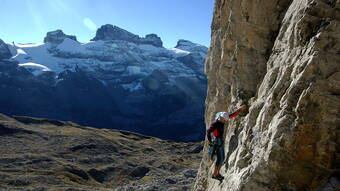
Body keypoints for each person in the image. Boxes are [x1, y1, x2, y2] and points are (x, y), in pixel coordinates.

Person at [207, 105, 247, 181]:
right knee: (220, 158)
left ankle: (216, 173)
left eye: (225, 120)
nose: (224, 121)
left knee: (221, 158)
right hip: (217, 141)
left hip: (219, 140)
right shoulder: (215, 124)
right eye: (224, 120)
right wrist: (210, 141)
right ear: (221, 118)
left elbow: (231, 115)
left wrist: (239, 109)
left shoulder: (221, 118)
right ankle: (215, 174)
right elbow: (208, 132)